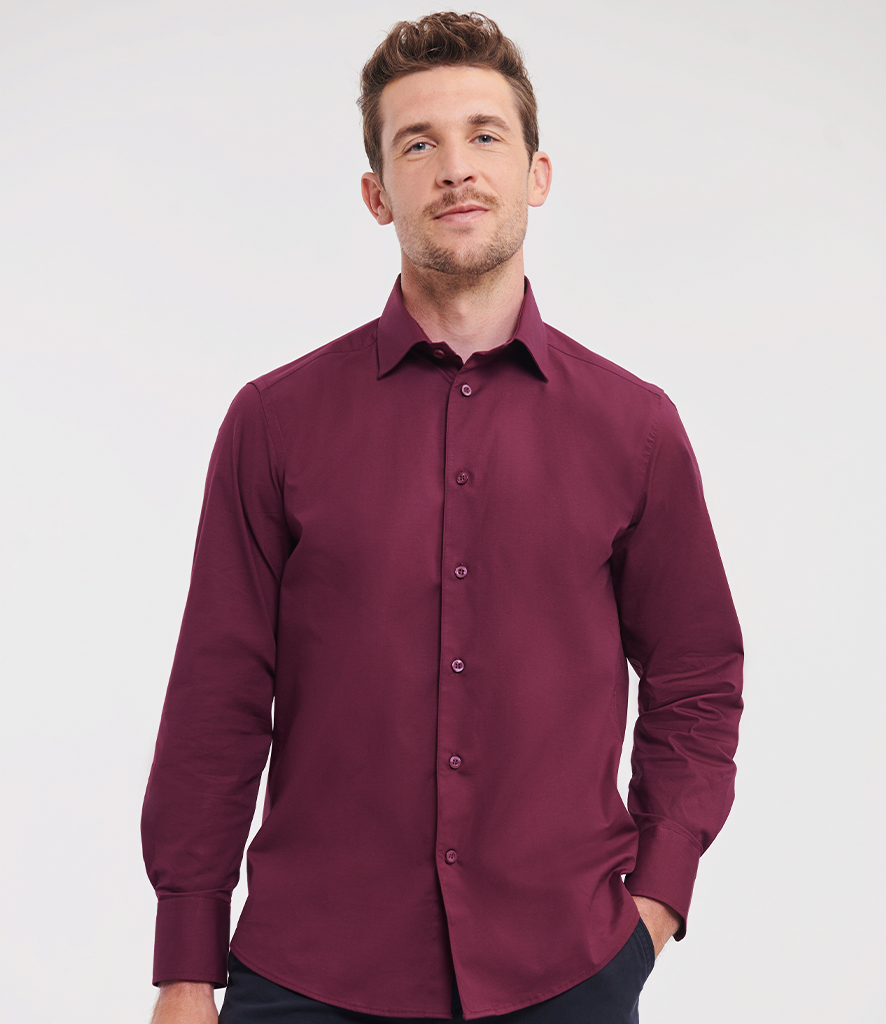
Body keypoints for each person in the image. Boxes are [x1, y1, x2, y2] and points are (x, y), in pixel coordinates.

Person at [142, 11, 743, 1024]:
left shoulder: (634, 427)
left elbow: (696, 674)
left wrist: (655, 902)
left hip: (565, 970)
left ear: (536, 174)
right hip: (309, 973)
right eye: (417, 144)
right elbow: (218, 695)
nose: (456, 167)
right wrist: (185, 964)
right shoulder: (274, 422)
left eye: (484, 134)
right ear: (378, 193)